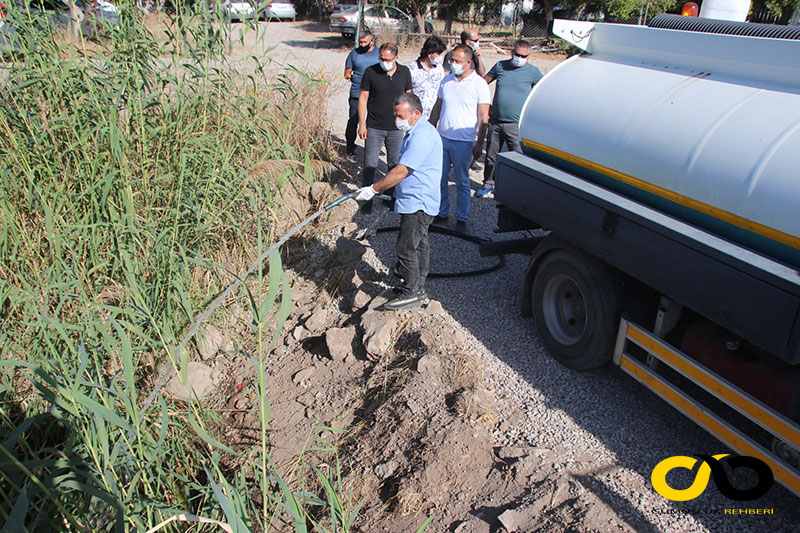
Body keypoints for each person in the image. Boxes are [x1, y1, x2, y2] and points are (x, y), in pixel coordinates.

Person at [355, 94, 443, 311]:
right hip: (416, 199)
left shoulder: (422, 136)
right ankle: (416, 286)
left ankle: (411, 291)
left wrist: (373, 189)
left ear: (416, 114)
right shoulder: (415, 131)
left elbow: (402, 170)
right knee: (419, 244)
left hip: (418, 201)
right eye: (395, 114)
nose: (396, 119)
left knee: (405, 247)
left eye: (400, 115)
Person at [429, 44, 490, 231]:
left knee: (462, 181)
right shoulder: (446, 81)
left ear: (468, 62)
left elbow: (483, 116)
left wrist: (479, 142)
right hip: (443, 138)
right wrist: (430, 130)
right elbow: (438, 107)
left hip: (464, 142)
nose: (453, 64)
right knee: (440, 178)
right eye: (452, 60)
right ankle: (442, 211)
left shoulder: (479, 84)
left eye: (457, 61)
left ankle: (462, 217)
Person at [477, 39, 543, 197]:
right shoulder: (500, 66)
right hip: (496, 121)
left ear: (528, 56)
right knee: (491, 156)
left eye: (523, 56)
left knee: (517, 157)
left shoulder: (533, 72)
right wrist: (486, 105)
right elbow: (483, 83)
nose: (519, 58)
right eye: (517, 54)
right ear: (512, 52)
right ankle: (488, 183)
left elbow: (542, 91)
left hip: (516, 124)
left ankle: (515, 187)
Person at [358, 42, 413, 212]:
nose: (384, 62)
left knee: (394, 163)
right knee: (370, 164)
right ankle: (367, 200)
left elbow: (409, 98)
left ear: (396, 58)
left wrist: (409, 123)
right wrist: (362, 124)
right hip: (374, 126)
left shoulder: (404, 72)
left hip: (396, 128)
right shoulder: (371, 72)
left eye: (388, 59)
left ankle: (389, 197)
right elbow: (363, 98)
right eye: (381, 58)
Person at [344, 31, 380, 157]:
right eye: (360, 42)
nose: (362, 44)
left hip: (375, 94)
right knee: (353, 120)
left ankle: (372, 149)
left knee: (374, 123)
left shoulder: (379, 53)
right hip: (357, 94)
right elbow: (347, 72)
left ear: (371, 41)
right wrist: (351, 78)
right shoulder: (354, 54)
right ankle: (350, 148)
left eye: (365, 42)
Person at [408, 36, 447, 119]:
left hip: (435, 115)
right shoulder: (411, 69)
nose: (440, 57)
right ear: (430, 54)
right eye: (438, 54)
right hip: (416, 116)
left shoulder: (439, 69)